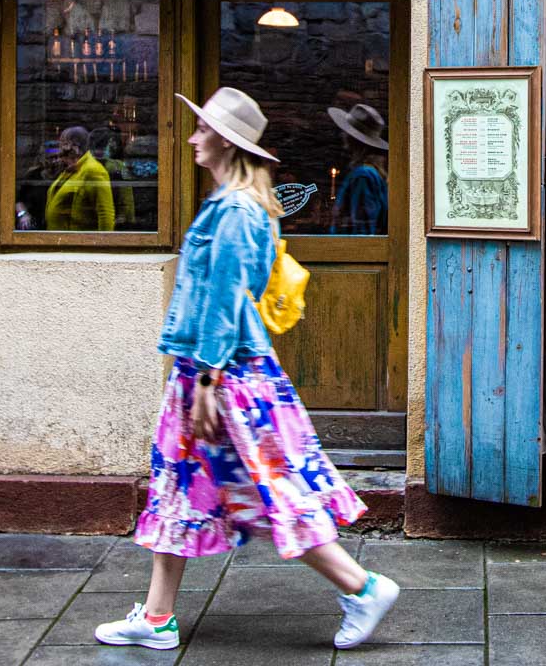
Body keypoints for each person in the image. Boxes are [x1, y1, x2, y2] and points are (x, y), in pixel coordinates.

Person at [95, 86, 398, 653]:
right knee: (177, 489)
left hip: (224, 376)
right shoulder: (233, 203)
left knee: (272, 493)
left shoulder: (235, 210)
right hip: (211, 372)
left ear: (225, 143)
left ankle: (363, 587)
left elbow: (226, 298)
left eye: (201, 129)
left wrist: (207, 381)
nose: (191, 137)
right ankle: (157, 617)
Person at [327, 102, 389, 235]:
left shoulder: (363, 175)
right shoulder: (369, 172)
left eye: (346, 131)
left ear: (353, 138)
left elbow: (363, 228)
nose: (342, 135)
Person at [44, 125, 115, 231]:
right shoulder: (70, 168)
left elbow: (106, 214)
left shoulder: (93, 170)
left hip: (77, 241)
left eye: (63, 143)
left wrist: (101, 245)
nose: (60, 148)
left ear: (74, 146)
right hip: (59, 239)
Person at [89, 126, 135, 229]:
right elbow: (127, 201)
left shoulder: (84, 165)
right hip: (113, 221)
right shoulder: (118, 166)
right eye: (111, 143)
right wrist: (128, 220)